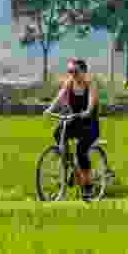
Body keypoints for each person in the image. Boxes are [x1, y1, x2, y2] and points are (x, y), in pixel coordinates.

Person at [43, 58, 101, 201]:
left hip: (90, 124)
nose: (72, 74)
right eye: (70, 71)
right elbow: (60, 95)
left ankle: (88, 185)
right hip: (75, 120)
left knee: (81, 150)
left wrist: (87, 111)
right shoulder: (70, 83)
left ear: (83, 71)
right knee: (58, 133)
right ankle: (70, 164)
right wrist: (50, 109)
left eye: (75, 71)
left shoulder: (90, 83)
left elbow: (92, 101)